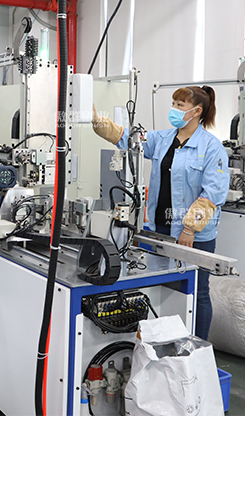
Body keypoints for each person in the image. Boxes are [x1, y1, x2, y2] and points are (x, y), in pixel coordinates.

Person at [92, 86, 229, 341]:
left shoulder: (211, 148)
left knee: (197, 292)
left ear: (196, 111)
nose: (174, 109)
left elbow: (213, 193)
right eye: (174, 103)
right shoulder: (162, 139)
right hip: (160, 228)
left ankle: (197, 347)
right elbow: (126, 138)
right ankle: (166, 343)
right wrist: (98, 122)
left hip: (193, 235)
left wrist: (189, 228)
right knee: (163, 288)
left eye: (180, 105)